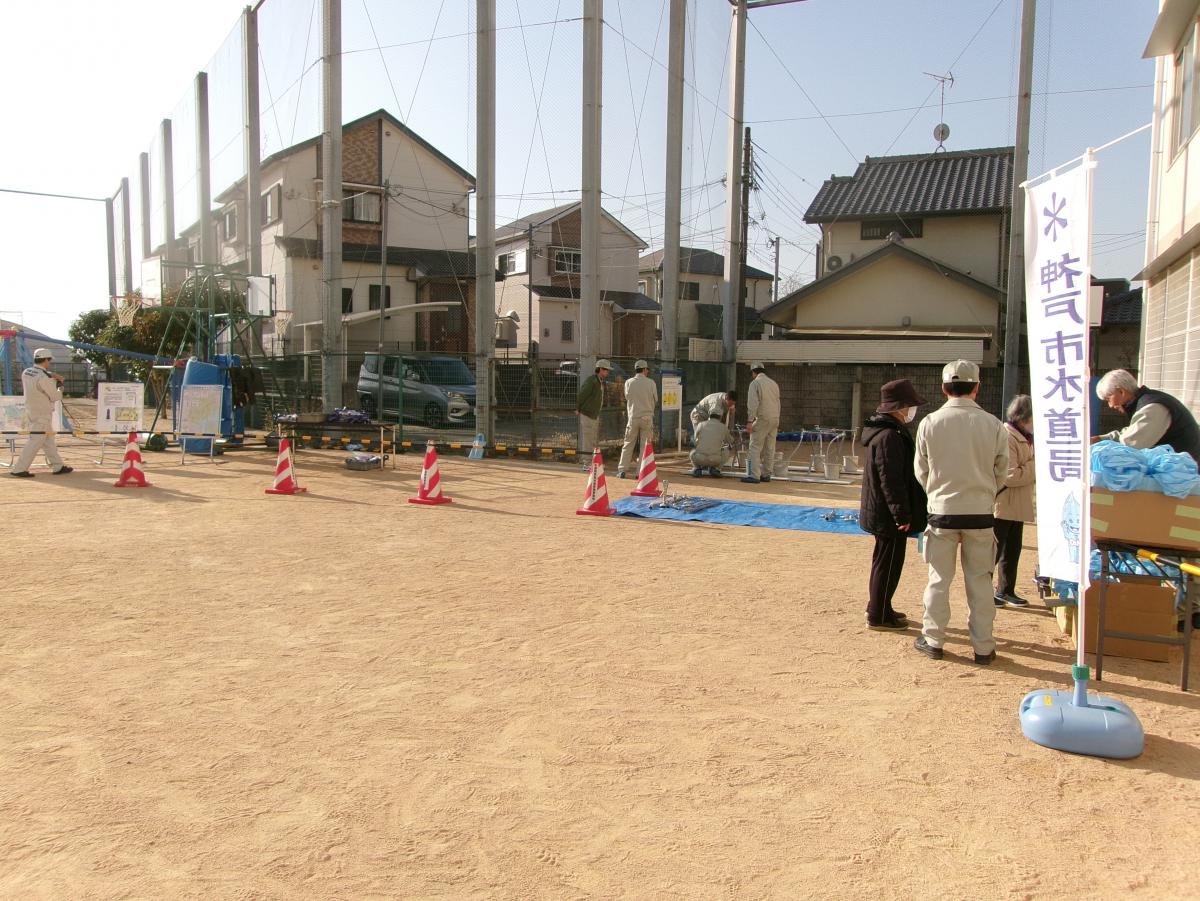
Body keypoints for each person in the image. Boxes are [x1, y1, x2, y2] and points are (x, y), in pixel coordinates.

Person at [913, 360, 1008, 664]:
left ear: (944, 388)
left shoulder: (929, 422)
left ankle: (934, 639)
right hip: (980, 512)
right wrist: (986, 491)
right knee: (980, 581)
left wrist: (936, 493)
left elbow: (921, 470)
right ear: (977, 388)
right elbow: (1002, 470)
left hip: (941, 512)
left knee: (939, 579)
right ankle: (983, 647)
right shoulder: (993, 424)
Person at [859, 379, 928, 630]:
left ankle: (880, 605)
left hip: (882, 511)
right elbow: (892, 480)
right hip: (887, 514)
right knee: (888, 563)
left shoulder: (886, 431)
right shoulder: (889, 435)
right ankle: (878, 614)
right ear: (900, 407)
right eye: (910, 405)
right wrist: (901, 514)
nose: (913, 410)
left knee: (884, 561)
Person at [1094, 369, 1200, 464]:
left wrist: (1097, 450)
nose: (1110, 405)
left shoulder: (1152, 407)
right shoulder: (1147, 400)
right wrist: (1100, 439)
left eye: (1108, 399)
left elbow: (1131, 447)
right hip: (1180, 467)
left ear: (1121, 392)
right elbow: (1132, 432)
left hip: (1185, 472)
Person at [993, 395, 1035, 608]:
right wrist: (1035, 465)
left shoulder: (1024, 436)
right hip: (1004, 502)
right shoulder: (1007, 435)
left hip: (1016, 503)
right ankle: (986, 592)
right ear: (1023, 417)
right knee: (995, 551)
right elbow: (1010, 475)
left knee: (1012, 549)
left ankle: (1006, 590)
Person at [11, 348, 73, 478]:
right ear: (45, 360)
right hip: (42, 413)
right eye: (49, 360)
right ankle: (19, 468)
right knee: (35, 440)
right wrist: (60, 389)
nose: (49, 363)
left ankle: (58, 466)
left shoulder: (27, 372)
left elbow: (39, 374)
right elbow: (54, 397)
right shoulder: (44, 377)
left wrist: (52, 375)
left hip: (32, 410)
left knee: (48, 440)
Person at [617, 359, 658, 479]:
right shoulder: (651, 383)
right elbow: (655, 399)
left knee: (628, 443)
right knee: (645, 447)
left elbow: (627, 397)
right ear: (645, 369)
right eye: (647, 369)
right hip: (647, 417)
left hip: (633, 417)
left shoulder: (629, 382)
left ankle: (622, 470)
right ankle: (640, 472)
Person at [741, 362, 780, 484]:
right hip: (775, 418)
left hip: (763, 418)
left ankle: (754, 475)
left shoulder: (755, 383)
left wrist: (749, 421)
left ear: (753, 372)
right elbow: (778, 402)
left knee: (755, 446)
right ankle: (766, 474)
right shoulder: (773, 383)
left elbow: (753, 403)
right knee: (770, 447)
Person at [575, 358, 612, 461]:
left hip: (593, 414)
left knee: (593, 439)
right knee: (588, 439)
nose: (608, 372)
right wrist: (578, 408)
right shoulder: (592, 381)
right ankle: (586, 462)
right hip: (588, 414)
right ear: (600, 369)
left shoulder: (598, 381)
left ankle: (592, 461)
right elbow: (582, 394)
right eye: (606, 370)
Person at [690, 412, 733, 477]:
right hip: (715, 460)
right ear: (720, 418)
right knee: (727, 451)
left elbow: (695, 438)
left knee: (692, 452)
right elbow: (730, 440)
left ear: (709, 417)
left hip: (699, 459)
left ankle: (697, 469)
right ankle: (716, 469)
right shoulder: (723, 427)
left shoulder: (701, 424)